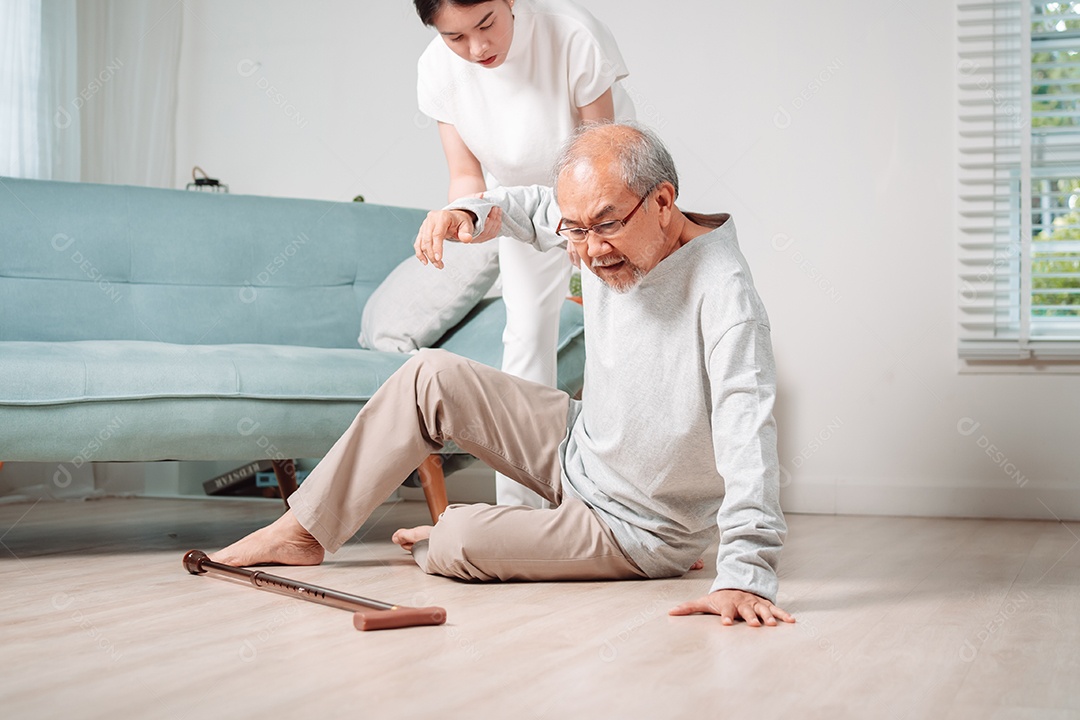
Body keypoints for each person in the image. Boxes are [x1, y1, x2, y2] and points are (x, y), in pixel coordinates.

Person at [211, 123, 794, 626]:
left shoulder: (726, 296)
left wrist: (744, 573)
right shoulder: (593, 225)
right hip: (579, 446)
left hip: (640, 525)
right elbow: (535, 208)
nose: (589, 252)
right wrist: (469, 210)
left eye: (604, 227)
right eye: (576, 230)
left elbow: (750, 441)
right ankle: (304, 530)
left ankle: (465, 535)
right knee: (428, 374)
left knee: (459, 540)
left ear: (664, 201)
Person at [414, 0, 635, 508]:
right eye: (455, 37)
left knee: (623, 343)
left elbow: (601, 150)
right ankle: (520, 508)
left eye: (486, 24)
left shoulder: (572, 33)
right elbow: (467, 177)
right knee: (526, 341)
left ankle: (641, 514)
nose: (477, 48)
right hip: (518, 201)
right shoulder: (435, 68)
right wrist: (467, 215)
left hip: (610, 195)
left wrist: (591, 226)